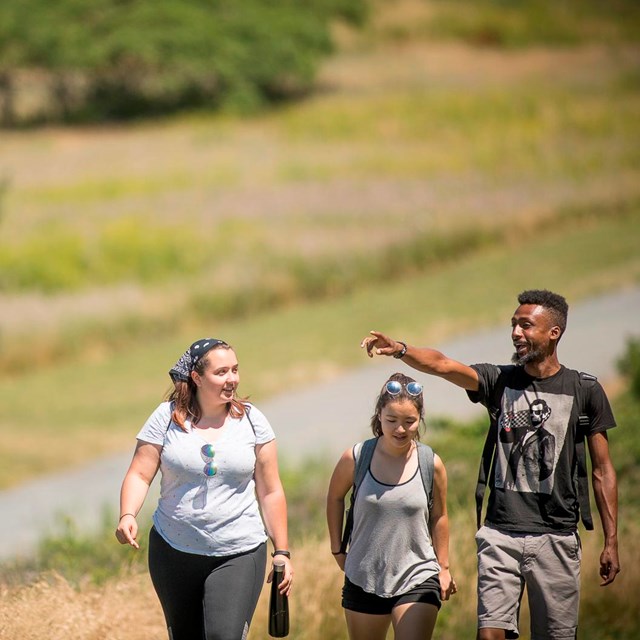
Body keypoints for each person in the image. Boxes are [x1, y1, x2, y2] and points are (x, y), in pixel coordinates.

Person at [360, 289, 620, 640]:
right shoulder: (500, 381)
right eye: (514, 325)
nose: (516, 332)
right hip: (501, 532)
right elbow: (443, 365)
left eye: (526, 325)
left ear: (553, 332)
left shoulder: (584, 389)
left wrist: (611, 540)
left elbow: (603, 470)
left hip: (556, 535)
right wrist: (402, 350)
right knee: (489, 635)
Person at [115, 338, 293, 640]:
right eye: (221, 372)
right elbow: (139, 474)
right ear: (197, 378)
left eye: (235, 370)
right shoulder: (165, 418)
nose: (232, 379)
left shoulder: (252, 420)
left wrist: (283, 551)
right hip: (173, 551)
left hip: (238, 551)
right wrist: (127, 514)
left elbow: (270, 491)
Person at [326, 372, 456, 640]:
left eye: (410, 421)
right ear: (379, 416)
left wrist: (443, 566)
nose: (400, 429)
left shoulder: (431, 463)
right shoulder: (356, 457)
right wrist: (337, 549)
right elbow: (334, 497)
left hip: (418, 574)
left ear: (420, 419)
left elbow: (440, 516)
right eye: (392, 420)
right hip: (364, 574)